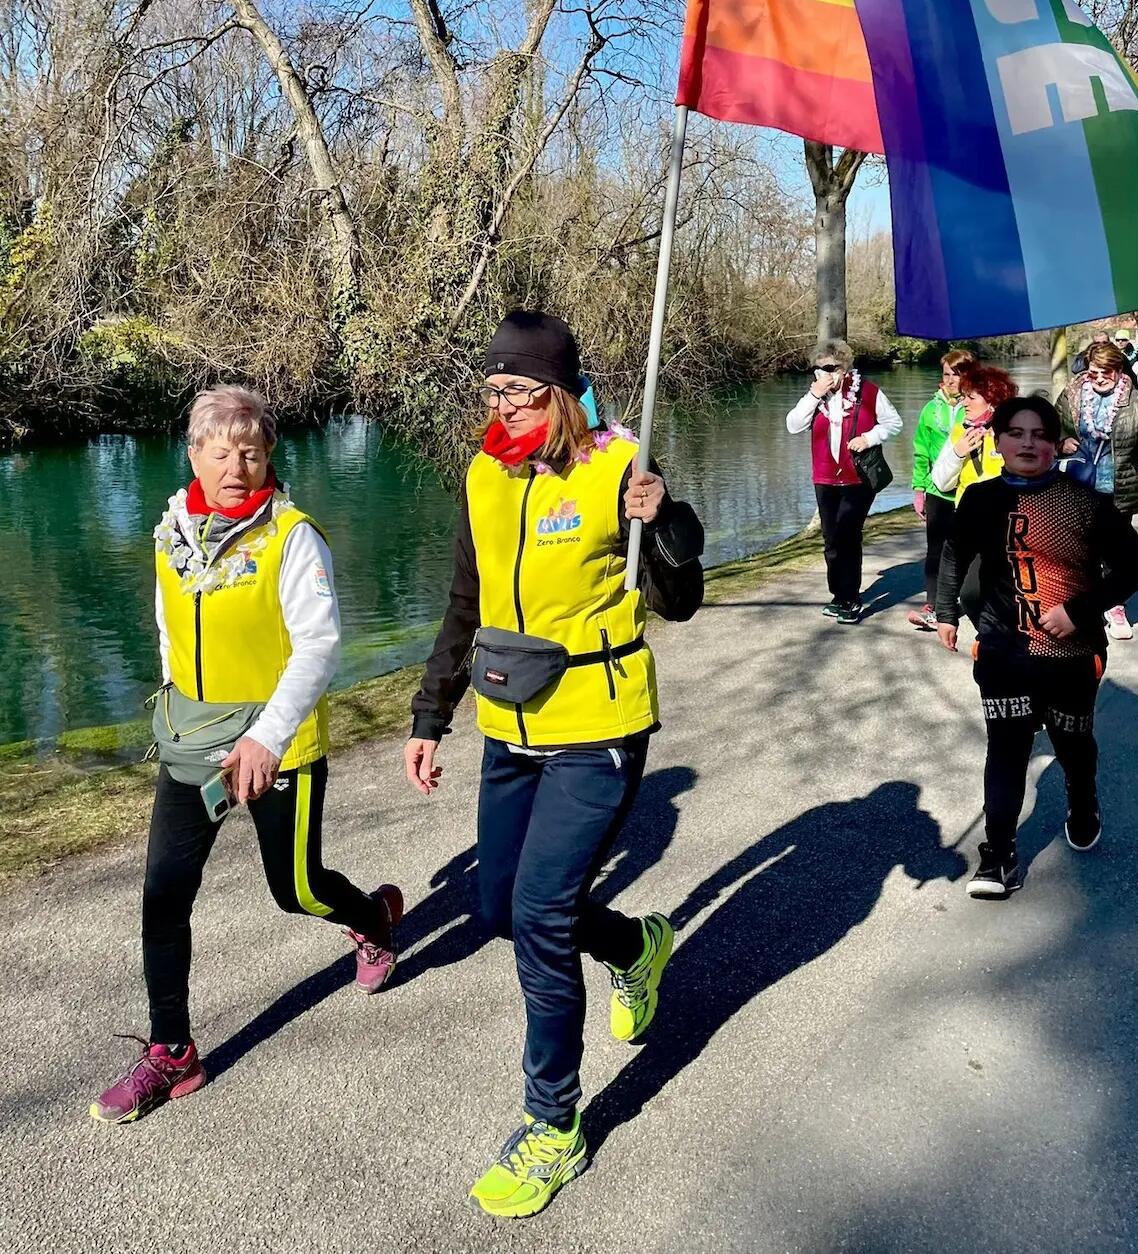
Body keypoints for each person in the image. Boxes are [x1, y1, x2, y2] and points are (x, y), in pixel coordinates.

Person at [405, 311, 704, 1219]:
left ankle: (553, 1125)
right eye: (493, 391)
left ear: (562, 391)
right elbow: (467, 599)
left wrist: (670, 521)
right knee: (496, 907)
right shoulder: (484, 473)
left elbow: (680, 598)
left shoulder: (619, 464)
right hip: (508, 718)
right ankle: (638, 944)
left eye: (520, 393)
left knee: (538, 913)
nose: (503, 408)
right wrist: (431, 713)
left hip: (599, 720)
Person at [89, 386, 404, 1125]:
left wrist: (267, 736)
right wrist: (175, 706)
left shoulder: (292, 537)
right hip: (194, 742)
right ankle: (172, 1052)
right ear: (194, 454)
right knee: (163, 897)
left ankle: (375, 920)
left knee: (296, 889)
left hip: (276, 744)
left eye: (251, 452)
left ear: (268, 460)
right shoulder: (172, 532)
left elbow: (320, 646)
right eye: (222, 451)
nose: (237, 465)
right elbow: (168, 626)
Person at [937, 397, 1138, 899]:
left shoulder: (1088, 501)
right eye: (1016, 432)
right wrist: (946, 612)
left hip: (1071, 654)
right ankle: (999, 853)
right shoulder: (980, 499)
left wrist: (1078, 611)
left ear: (1057, 444)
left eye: (1040, 434)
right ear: (998, 439)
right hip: (1003, 651)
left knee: (1072, 745)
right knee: (1007, 748)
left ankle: (1082, 800)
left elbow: (1135, 567)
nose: (1028, 443)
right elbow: (954, 556)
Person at [785, 339, 902, 624]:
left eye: (830, 367)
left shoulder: (869, 392)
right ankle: (839, 595)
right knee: (831, 539)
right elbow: (793, 426)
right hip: (824, 478)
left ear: (844, 368)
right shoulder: (815, 398)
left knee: (848, 534)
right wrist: (814, 395)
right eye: (819, 368)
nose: (824, 373)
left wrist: (869, 438)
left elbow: (894, 423)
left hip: (857, 478)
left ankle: (851, 598)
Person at [1056, 340, 1138, 641]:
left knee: (1117, 556)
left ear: (1118, 370)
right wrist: (1061, 443)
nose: (1099, 378)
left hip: (1118, 492)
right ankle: (1080, 608)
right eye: (1093, 372)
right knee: (1082, 553)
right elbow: (1052, 429)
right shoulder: (1072, 394)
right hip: (1078, 489)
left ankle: (1114, 605)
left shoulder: (1137, 402)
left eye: (1106, 372)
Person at [908, 347, 974, 631]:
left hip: (968, 489)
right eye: (946, 374)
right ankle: (934, 603)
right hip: (937, 491)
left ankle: (969, 599)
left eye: (956, 375)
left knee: (968, 549)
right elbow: (921, 451)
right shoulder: (930, 408)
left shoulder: (978, 406)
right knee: (936, 549)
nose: (950, 380)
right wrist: (919, 489)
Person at [929, 362, 1019, 504]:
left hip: (1005, 514)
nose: (964, 403)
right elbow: (941, 483)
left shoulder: (1013, 433)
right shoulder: (960, 432)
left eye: (971, 398)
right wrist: (957, 454)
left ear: (992, 402)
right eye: (964, 397)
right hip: (967, 516)